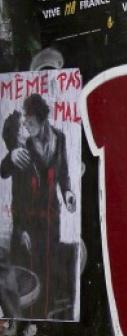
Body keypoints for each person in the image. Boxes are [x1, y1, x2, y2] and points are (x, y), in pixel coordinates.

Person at [0, 92, 76, 319]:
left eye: (31, 123)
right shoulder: (21, 145)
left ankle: (46, 317)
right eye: (25, 122)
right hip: (26, 222)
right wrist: (11, 156)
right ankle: (28, 324)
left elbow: (63, 173)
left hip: (52, 217)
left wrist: (69, 192)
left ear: (43, 122)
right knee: (26, 275)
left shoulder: (60, 138)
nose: (26, 127)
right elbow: (3, 171)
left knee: (48, 267)